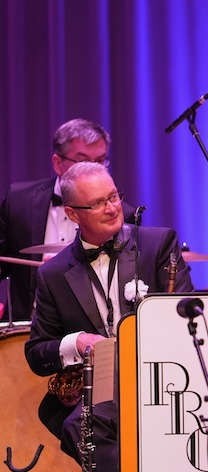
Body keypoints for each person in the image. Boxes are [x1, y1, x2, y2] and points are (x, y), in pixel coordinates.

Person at [25, 162, 192, 472]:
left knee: (89, 425)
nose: (112, 207)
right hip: (99, 389)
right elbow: (36, 353)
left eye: (114, 196)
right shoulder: (52, 274)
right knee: (82, 422)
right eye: (98, 203)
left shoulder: (158, 243)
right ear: (72, 213)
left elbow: (186, 316)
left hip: (160, 376)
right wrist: (76, 342)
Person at [0, 118, 134, 320]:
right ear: (57, 163)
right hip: (23, 328)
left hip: (93, 330)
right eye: (82, 161)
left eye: (99, 161)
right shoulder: (19, 202)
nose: (92, 170)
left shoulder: (119, 213)